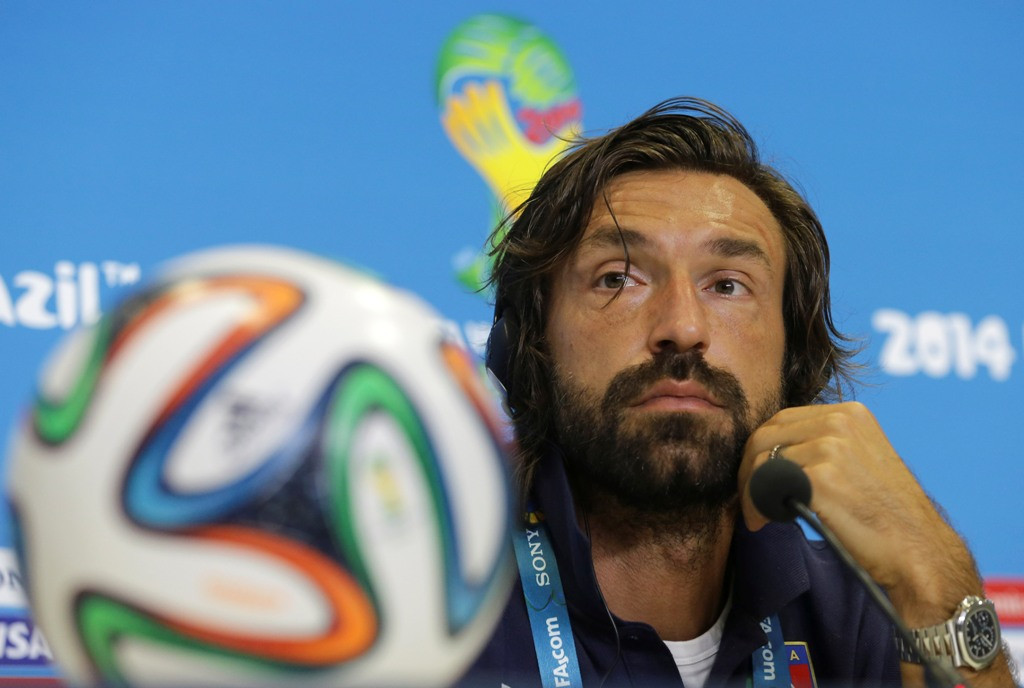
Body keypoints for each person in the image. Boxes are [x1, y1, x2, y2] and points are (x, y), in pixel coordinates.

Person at [458, 97, 1016, 688]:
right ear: (528, 345)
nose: (683, 326)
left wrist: (936, 582)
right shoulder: (427, 593)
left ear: (793, 355)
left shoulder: (867, 619)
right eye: (618, 278)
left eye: (727, 285)